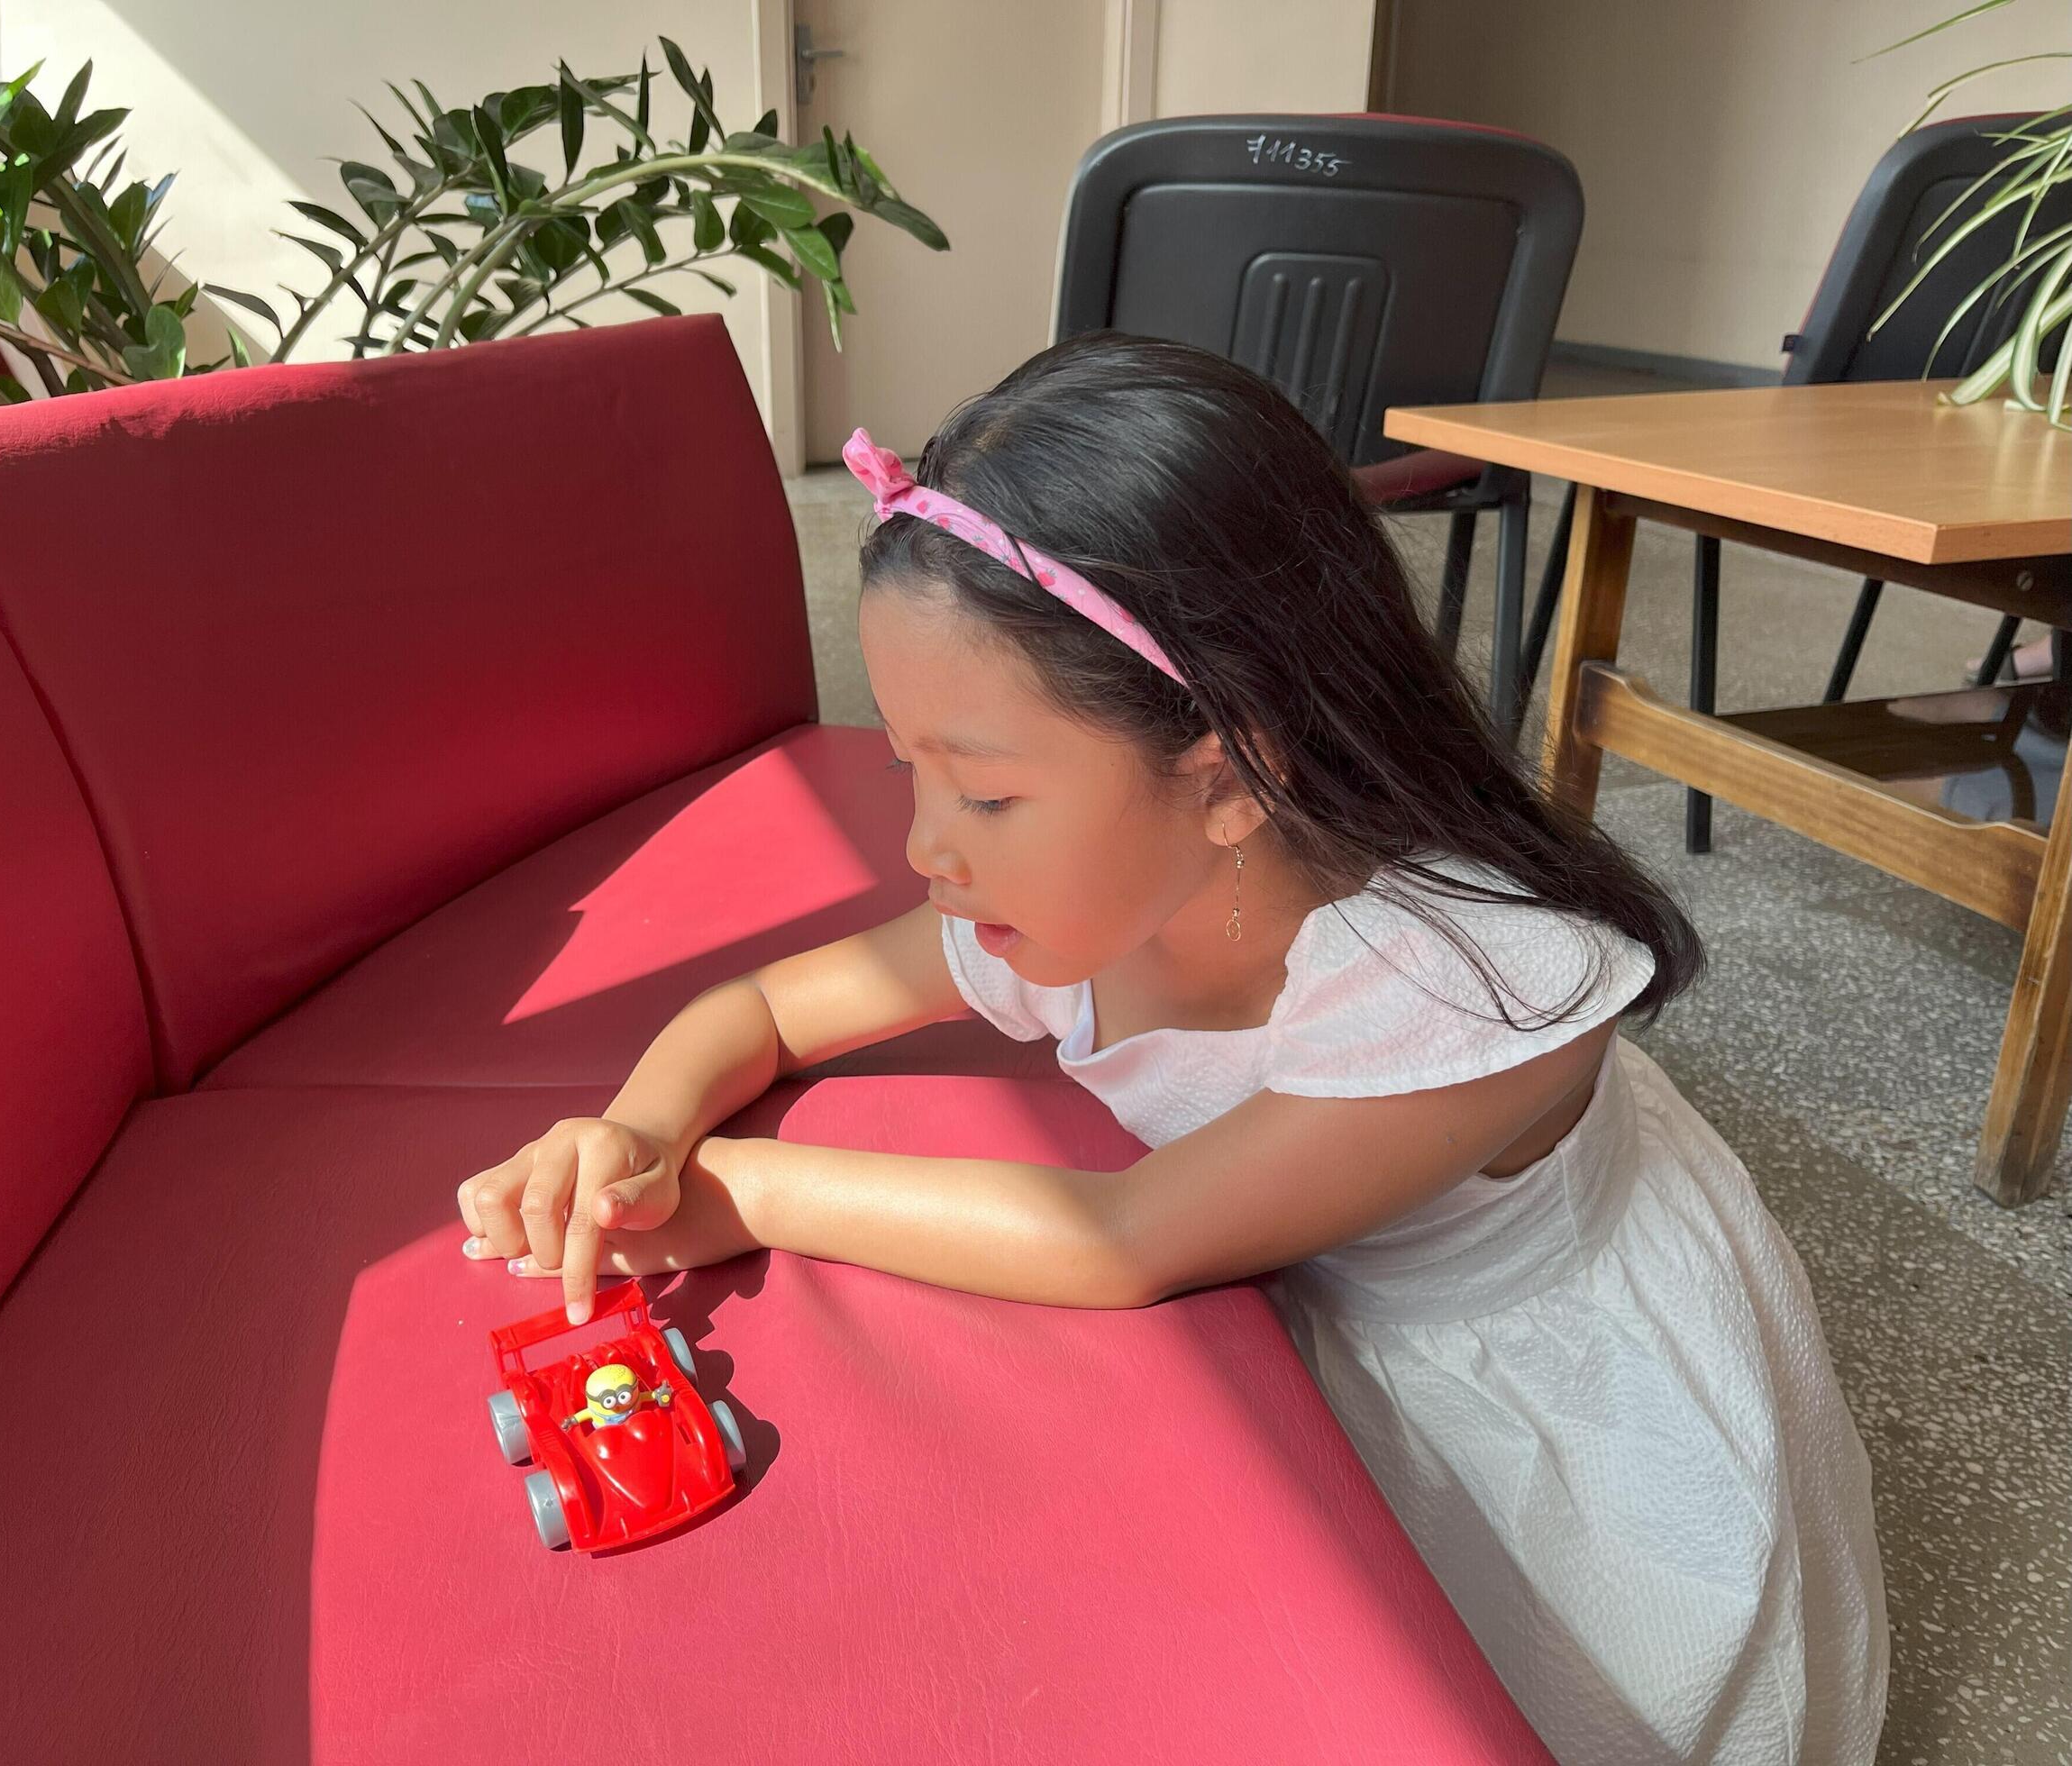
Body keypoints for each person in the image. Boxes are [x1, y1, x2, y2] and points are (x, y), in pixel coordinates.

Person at [455, 332, 1886, 1763]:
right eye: (908, 770)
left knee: (1571, 1689)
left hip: (1529, 1382)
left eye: (987, 794)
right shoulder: (1066, 908)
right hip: (1300, 1270)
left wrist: (743, 1194)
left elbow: (1122, 1235)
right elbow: (761, 1008)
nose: (921, 847)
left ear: (1227, 770)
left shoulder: (1464, 984)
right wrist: (639, 1129)